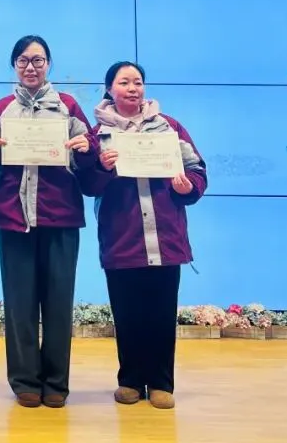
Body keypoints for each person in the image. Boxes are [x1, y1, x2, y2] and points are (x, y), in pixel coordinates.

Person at [0, 35, 98, 409]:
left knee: (59, 303)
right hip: (14, 216)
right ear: (14, 65)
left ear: (48, 64)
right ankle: (25, 381)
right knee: (19, 304)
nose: (31, 67)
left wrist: (86, 150)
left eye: (38, 60)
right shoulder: (1, 109)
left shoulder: (68, 107)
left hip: (60, 216)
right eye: (23, 60)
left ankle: (57, 383)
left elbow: (90, 157)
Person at [87, 61, 207, 411]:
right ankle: (129, 380)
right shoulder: (98, 135)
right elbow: (86, 183)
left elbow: (197, 170)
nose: (132, 88)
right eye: (124, 82)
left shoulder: (169, 127)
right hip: (122, 238)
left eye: (137, 82)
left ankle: (161, 383)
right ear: (109, 89)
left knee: (161, 314)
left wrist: (187, 186)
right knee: (127, 315)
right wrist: (102, 168)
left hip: (165, 238)